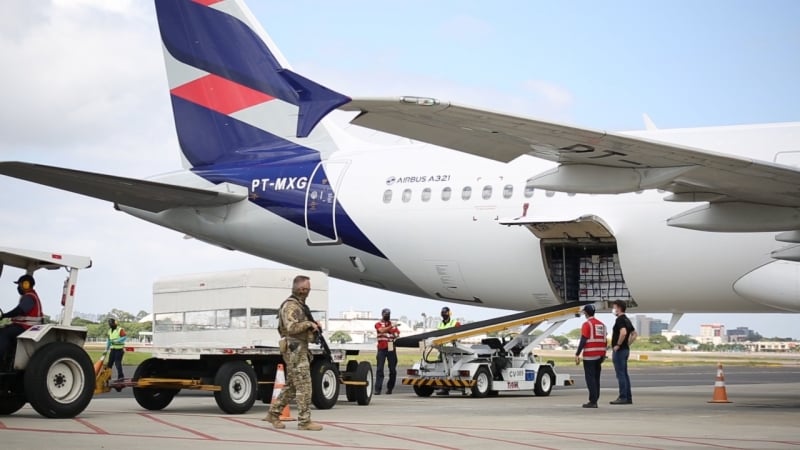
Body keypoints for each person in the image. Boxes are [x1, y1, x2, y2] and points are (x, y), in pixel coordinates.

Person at [263, 275, 323, 431]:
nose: (309, 291)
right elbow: (291, 328)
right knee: (304, 386)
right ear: (302, 289)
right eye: (308, 289)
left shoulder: (299, 305)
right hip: (295, 350)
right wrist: (308, 324)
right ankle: (304, 421)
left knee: (292, 386)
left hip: (298, 349)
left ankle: (273, 413)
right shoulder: (291, 306)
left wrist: (313, 327)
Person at [0, 274, 44, 367]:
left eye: (19, 284)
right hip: (26, 326)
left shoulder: (29, 297)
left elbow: (19, 310)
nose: (18, 287)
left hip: (27, 327)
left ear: (26, 284)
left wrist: (4, 315)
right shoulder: (30, 296)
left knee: (4, 333)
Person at [574, 304, 607, 408]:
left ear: (586, 313)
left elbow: (583, 340)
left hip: (590, 355)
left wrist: (577, 353)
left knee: (590, 378)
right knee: (596, 378)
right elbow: (605, 341)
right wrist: (604, 354)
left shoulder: (587, 324)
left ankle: (593, 401)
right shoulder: (602, 325)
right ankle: (595, 399)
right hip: (600, 355)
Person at [610, 299, 635, 405]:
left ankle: (623, 397)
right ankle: (628, 397)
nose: (613, 309)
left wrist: (618, 344)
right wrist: (627, 344)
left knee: (620, 374)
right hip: (625, 350)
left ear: (619, 308)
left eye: (614, 307)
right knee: (624, 374)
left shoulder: (620, 319)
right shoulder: (627, 319)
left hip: (620, 351)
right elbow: (634, 334)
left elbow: (623, 332)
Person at [374, 308, 400, 395]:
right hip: (382, 347)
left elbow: (397, 334)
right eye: (385, 314)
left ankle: (390, 388)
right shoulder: (378, 324)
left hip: (391, 346)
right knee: (379, 369)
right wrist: (390, 328)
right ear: (382, 315)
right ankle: (378, 389)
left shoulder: (393, 325)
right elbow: (381, 330)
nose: (387, 316)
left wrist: (392, 330)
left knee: (392, 369)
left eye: (388, 314)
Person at [435, 306, 460, 395]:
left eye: (445, 313)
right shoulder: (440, 324)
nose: (444, 315)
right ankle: (444, 388)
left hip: (451, 349)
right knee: (442, 368)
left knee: (452, 368)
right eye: (443, 313)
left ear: (449, 314)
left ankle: (452, 387)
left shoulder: (454, 322)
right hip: (442, 349)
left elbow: (459, 333)